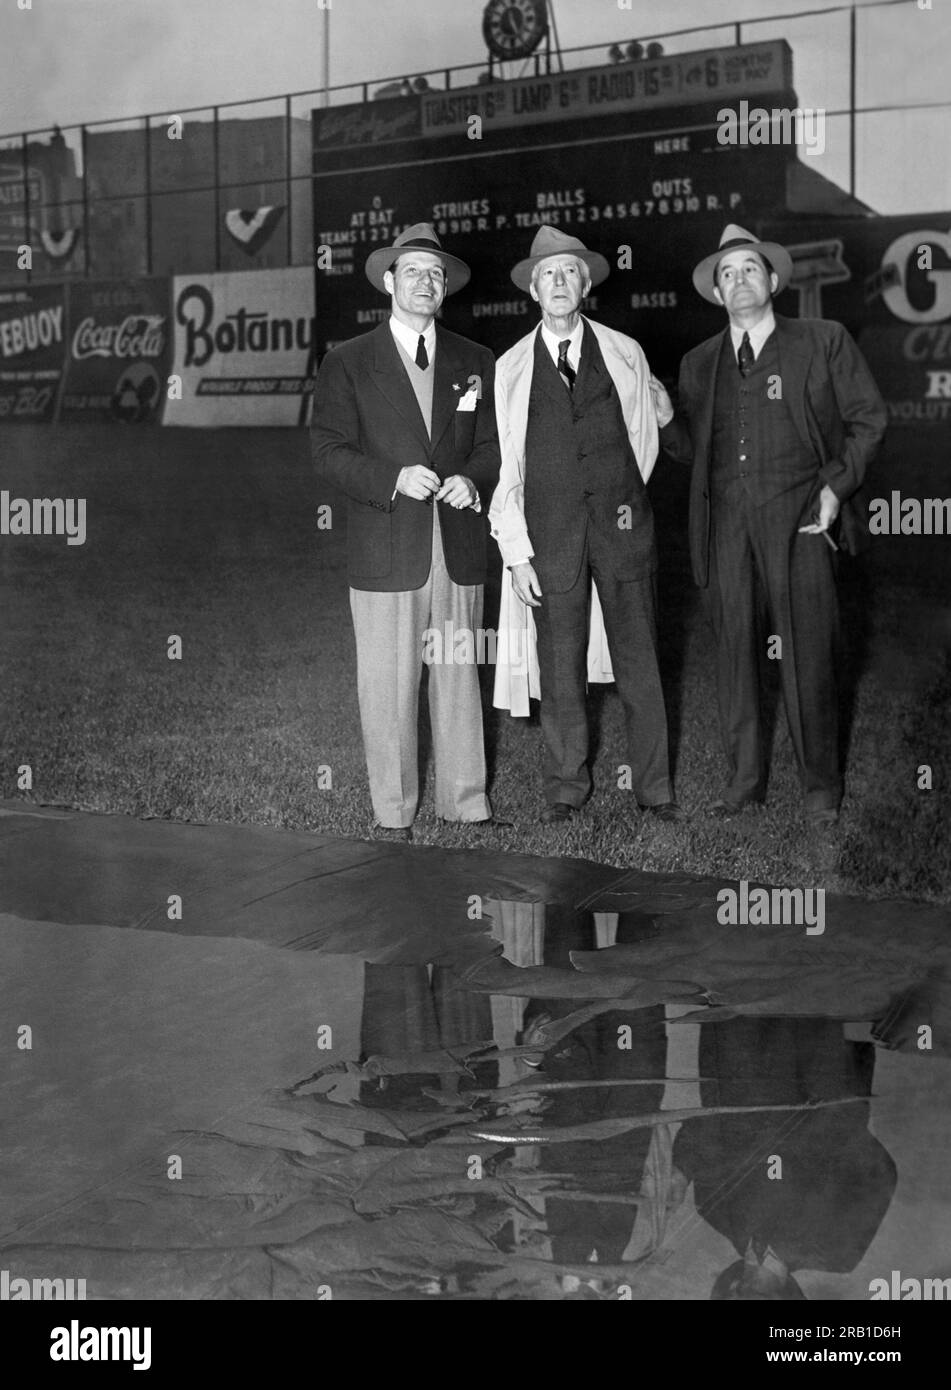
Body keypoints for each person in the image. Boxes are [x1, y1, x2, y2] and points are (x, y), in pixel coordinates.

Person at [650, 225, 886, 826]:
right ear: (716, 292)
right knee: (735, 655)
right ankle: (744, 784)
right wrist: (665, 419)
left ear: (774, 281)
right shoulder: (699, 364)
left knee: (809, 653)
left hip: (803, 518)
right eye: (727, 274)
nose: (738, 280)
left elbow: (868, 418)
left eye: (749, 269)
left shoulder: (823, 341)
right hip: (728, 525)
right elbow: (689, 453)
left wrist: (836, 486)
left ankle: (819, 789)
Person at [311, 223, 502, 841]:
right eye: (413, 271)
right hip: (386, 547)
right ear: (389, 282)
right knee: (389, 684)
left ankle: (464, 800)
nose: (426, 282)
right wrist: (393, 477)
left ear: (445, 290)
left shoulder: (476, 361)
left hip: (459, 549)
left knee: (458, 679)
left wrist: (471, 481)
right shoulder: (347, 361)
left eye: (436, 274)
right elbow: (328, 451)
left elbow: (494, 447)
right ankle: (394, 808)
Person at [489, 225, 683, 826]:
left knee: (641, 666)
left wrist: (623, 505)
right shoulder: (511, 368)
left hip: (625, 535)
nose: (559, 282)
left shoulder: (625, 351)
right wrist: (518, 551)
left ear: (586, 282)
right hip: (551, 542)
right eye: (547, 274)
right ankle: (565, 789)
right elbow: (505, 465)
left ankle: (655, 791)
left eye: (570, 271)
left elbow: (645, 445)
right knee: (561, 668)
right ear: (532, 289)